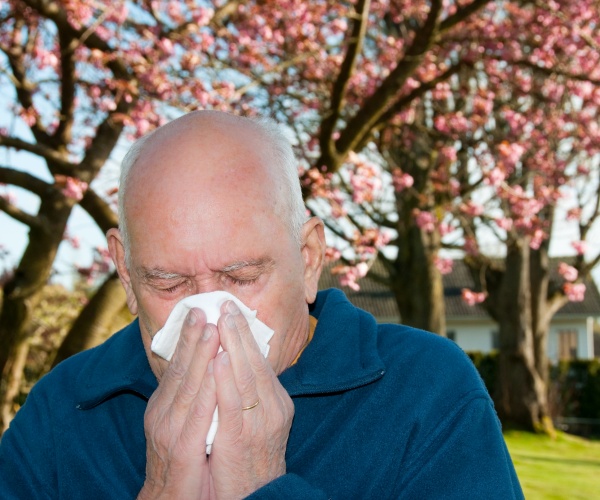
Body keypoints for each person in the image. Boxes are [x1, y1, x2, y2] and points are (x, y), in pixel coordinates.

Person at [0, 111, 524, 499]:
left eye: (241, 276)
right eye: (167, 282)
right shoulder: (61, 411)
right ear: (126, 274)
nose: (208, 314)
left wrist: (263, 487)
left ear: (309, 258)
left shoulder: (426, 391)